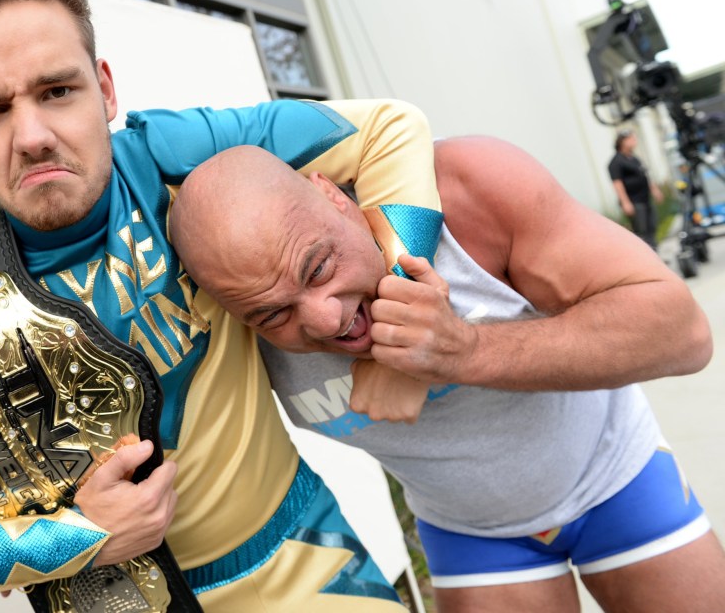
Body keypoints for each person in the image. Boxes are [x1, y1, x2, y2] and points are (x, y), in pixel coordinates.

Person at [0, 0, 444, 611]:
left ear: (106, 89)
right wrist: (69, 539)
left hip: (309, 569)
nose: (32, 134)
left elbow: (390, 128)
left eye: (57, 90)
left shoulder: (169, 159)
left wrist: (397, 314)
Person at [169, 140, 725, 613]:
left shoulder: (465, 193)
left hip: (616, 477)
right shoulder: (226, 331)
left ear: (334, 197)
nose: (326, 318)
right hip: (471, 534)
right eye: (274, 315)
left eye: (318, 267)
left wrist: (467, 351)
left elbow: (684, 334)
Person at [608, 129, 664, 250]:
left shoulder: (634, 159)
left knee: (651, 227)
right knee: (641, 231)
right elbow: (617, 183)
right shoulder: (616, 162)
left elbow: (645, 175)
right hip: (634, 201)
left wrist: (654, 190)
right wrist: (625, 202)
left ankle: (655, 255)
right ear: (622, 142)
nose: (634, 141)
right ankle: (647, 261)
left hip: (645, 199)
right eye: (631, 139)